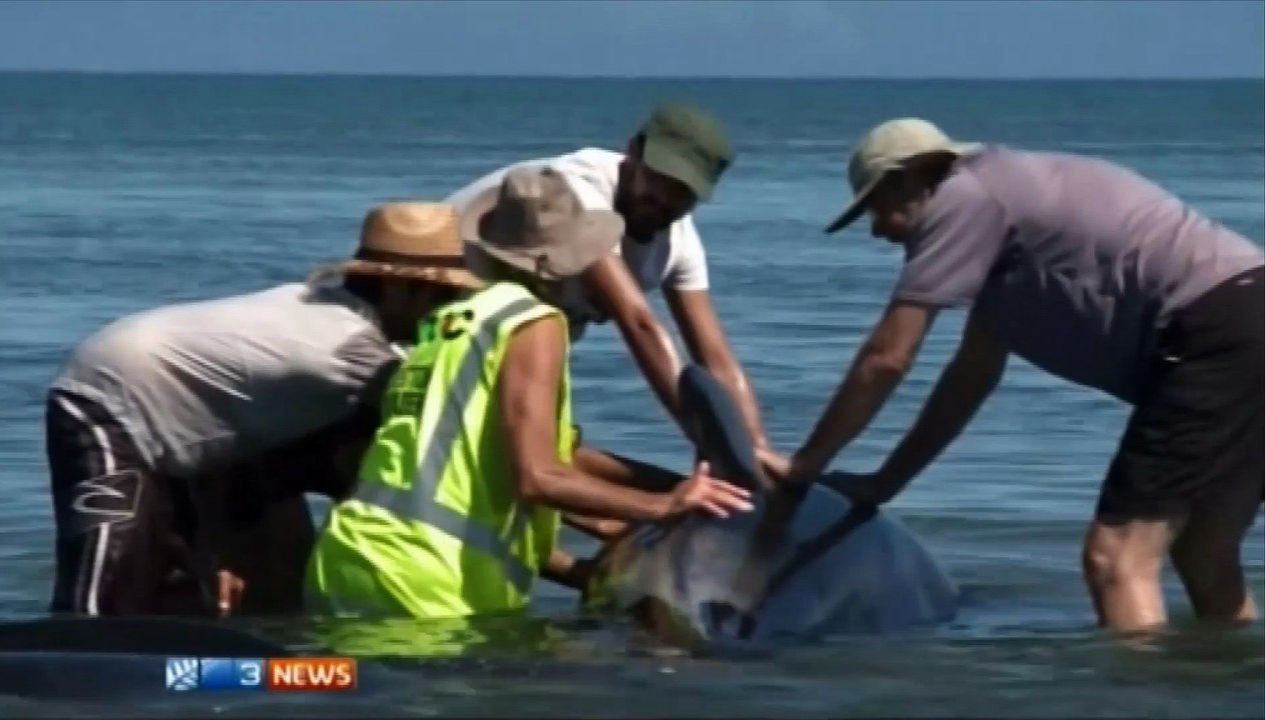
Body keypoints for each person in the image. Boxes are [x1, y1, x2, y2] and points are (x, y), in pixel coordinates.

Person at [762, 118, 1264, 633]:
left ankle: (1137, 703)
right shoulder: (1005, 216)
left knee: (1117, 558)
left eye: (875, 207)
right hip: (1246, 313)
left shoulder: (963, 198)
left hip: (1216, 326)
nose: (878, 230)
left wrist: (807, 463)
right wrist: (885, 482)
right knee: (1205, 549)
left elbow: (888, 356)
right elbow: (971, 377)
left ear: (909, 181)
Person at [304, 166, 754, 620]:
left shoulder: (445, 324)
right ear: (565, 261)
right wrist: (665, 506)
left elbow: (509, 454)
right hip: (425, 586)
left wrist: (684, 488)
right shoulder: (533, 323)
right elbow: (539, 476)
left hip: (350, 558)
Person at [44, 202, 483, 617]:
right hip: (107, 398)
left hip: (200, 422)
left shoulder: (329, 306)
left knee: (179, 592)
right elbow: (448, 420)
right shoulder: (350, 349)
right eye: (440, 294)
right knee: (106, 579)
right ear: (397, 287)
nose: (448, 308)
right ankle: (64, 658)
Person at [444, 102, 777, 468]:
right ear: (633, 152)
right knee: (530, 463)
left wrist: (756, 449)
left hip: (502, 347)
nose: (663, 200)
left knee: (549, 452)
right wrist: (712, 441)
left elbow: (717, 359)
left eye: (682, 192)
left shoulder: (678, 243)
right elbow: (637, 321)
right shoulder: (574, 190)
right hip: (426, 325)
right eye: (658, 179)